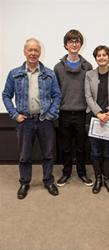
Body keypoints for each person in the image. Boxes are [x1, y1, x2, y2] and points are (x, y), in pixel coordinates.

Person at [2, 38, 61, 199]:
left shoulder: (49, 74)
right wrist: (14, 114)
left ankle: (48, 180)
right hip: (25, 121)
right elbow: (6, 95)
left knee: (48, 153)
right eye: (30, 50)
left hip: (44, 121)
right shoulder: (15, 74)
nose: (33, 53)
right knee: (24, 155)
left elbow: (57, 95)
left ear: (40, 52)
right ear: (25, 52)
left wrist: (50, 114)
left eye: (36, 50)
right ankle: (24, 182)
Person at [54, 29, 93, 187]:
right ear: (65, 45)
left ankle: (82, 173)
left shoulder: (88, 66)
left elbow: (91, 91)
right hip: (63, 113)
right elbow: (55, 91)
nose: (74, 44)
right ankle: (66, 172)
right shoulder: (58, 67)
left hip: (82, 113)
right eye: (71, 41)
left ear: (81, 44)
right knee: (65, 147)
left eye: (77, 41)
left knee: (81, 146)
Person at [85, 45, 109, 194]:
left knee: (108, 151)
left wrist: (108, 112)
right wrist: (99, 113)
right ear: (95, 58)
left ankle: (107, 178)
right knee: (95, 151)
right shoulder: (89, 74)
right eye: (99, 55)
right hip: (94, 118)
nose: (102, 57)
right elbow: (88, 96)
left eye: (104, 55)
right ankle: (98, 179)